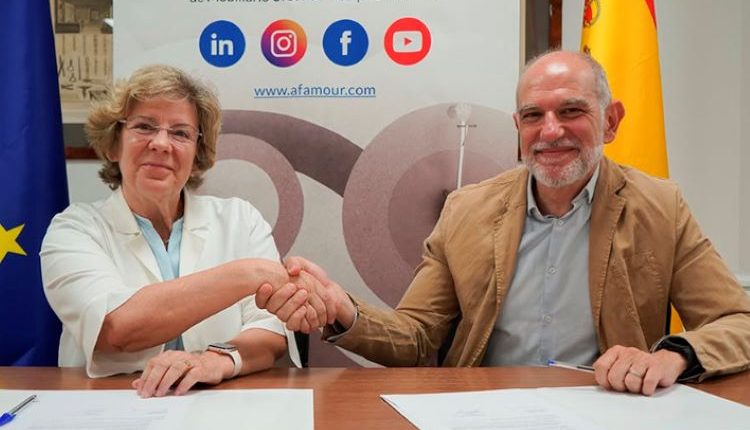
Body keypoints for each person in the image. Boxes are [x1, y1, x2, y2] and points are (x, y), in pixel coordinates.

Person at [255, 50, 750, 396]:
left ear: (610, 121)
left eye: (571, 111)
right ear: (518, 128)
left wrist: (670, 356)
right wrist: (344, 309)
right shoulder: (466, 211)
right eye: (533, 115)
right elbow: (417, 337)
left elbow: (738, 322)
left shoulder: (660, 207)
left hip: (610, 410)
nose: (550, 131)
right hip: (485, 411)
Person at [41, 64, 318, 398]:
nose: (161, 143)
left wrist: (215, 360)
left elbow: (270, 329)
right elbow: (116, 327)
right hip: (111, 406)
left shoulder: (240, 219)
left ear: (197, 154)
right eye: (144, 126)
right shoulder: (73, 230)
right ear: (114, 145)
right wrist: (250, 274)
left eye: (181, 133)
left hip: (220, 404)